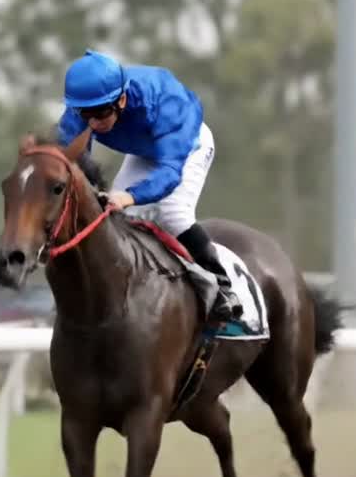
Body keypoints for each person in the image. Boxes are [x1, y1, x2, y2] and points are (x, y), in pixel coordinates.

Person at [56, 49, 243, 323]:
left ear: (121, 99)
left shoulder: (165, 102)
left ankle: (223, 288)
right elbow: (69, 159)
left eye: (101, 113)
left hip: (185, 148)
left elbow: (169, 172)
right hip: (143, 151)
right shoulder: (81, 109)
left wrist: (131, 196)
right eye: (86, 115)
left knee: (172, 214)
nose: (94, 122)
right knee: (114, 219)